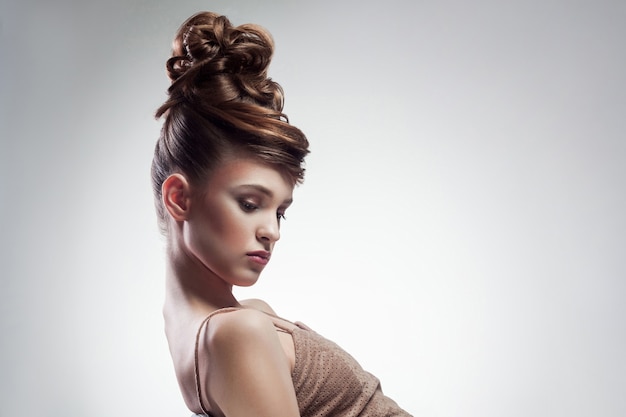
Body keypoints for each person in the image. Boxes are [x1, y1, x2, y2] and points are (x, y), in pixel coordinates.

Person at [152, 11, 412, 417]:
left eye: (280, 213)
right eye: (250, 204)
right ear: (179, 199)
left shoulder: (234, 321)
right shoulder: (238, 335)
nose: (272, 232)